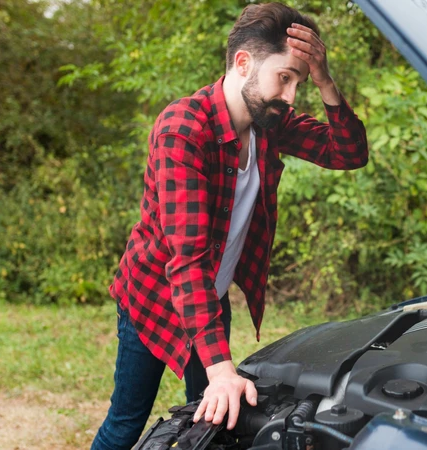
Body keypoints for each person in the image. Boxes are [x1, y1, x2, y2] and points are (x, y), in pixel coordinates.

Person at [91, 3, 369, 449]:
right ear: (244, 64)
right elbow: (188, 261)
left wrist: (324, 79)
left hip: (209, 300)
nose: (292, 94)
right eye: (285, 77)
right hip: (155, 300)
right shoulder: (183, 128)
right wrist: (222, 369)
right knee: (126, 424)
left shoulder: (269, 122)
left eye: (299, 82)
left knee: (212, 426)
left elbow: (348, 153)